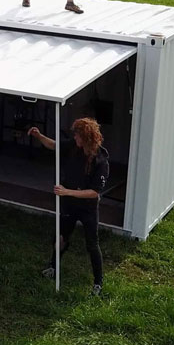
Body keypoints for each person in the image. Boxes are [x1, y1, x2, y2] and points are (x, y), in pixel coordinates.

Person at [28, 117, 109, 296]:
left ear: (87, 138)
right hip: (69, 205)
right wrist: (39, 136)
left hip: (87, 208)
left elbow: (95, 192)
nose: (75, 138)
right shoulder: (73, 146)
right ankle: (53, 267)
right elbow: (55, 146)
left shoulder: (100, 160)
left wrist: (67, 192)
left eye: (78, 136)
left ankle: (98, 283)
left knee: (92, 244)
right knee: (61, 238)